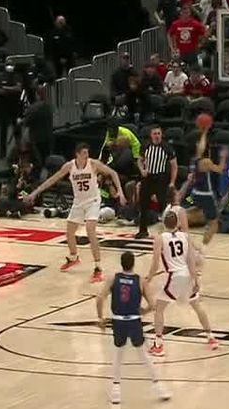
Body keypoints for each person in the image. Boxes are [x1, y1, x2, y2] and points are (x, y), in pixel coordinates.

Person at [27, 143, 126, 283]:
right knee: (69, 232)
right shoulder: (70, 166)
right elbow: (52, 180)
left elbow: (113, 173)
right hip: (79, 202)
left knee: (90, 230)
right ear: (77, 154)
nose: (87, 155)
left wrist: (120, 192)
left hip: (93, 201)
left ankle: (98, 267)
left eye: (87, 153)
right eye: (84, 153)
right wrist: (35, 193)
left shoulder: (93, 164)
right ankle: (74, 257)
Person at [95, 251, 171, 404]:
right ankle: (158, 387)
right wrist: (144, 311)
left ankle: (116, 391)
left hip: (118, 321)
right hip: (134, 321)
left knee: (118, 355)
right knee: (143, 355)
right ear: (133, 264)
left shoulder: (113, 278)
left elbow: (99, 298)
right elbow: (153, 305)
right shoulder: (140, 281)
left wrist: (100, 318)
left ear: (121, 263)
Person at [147, 209, 217, 356]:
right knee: (197, 306)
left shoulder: (160, 238)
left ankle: (158, 345)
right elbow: (191, 260)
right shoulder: (185, 236)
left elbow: (155, 263)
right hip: (187, 274)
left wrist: (149, 277)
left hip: (174, 276)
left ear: (163, 222)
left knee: (159, 309)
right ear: (177, 223)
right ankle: (211, 337)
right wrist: (195, 279)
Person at [182, 129, 227, 246]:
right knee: (214, 224)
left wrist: (204, 132)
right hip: (206, 194)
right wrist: (223, 157)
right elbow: (220, 170)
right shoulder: (206, 162)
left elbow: (200, 148)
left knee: (196, 212)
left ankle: (179, 218)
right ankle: (203, 246)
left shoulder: (194, 160)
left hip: (195, 193)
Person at [134, 124, 177, 240]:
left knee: (163, 206)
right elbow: (139, 160)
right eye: (155, 134)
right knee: (143, 205)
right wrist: (142, 170)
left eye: (159, 133)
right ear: (151, 135)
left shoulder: (167, 147)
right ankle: (143, 231)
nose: (157, 136)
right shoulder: (145, 146)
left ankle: (169, 231)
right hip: (147, 178)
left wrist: (172, 182)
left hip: (161, 178)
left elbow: (174, 166)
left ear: (161, 134)